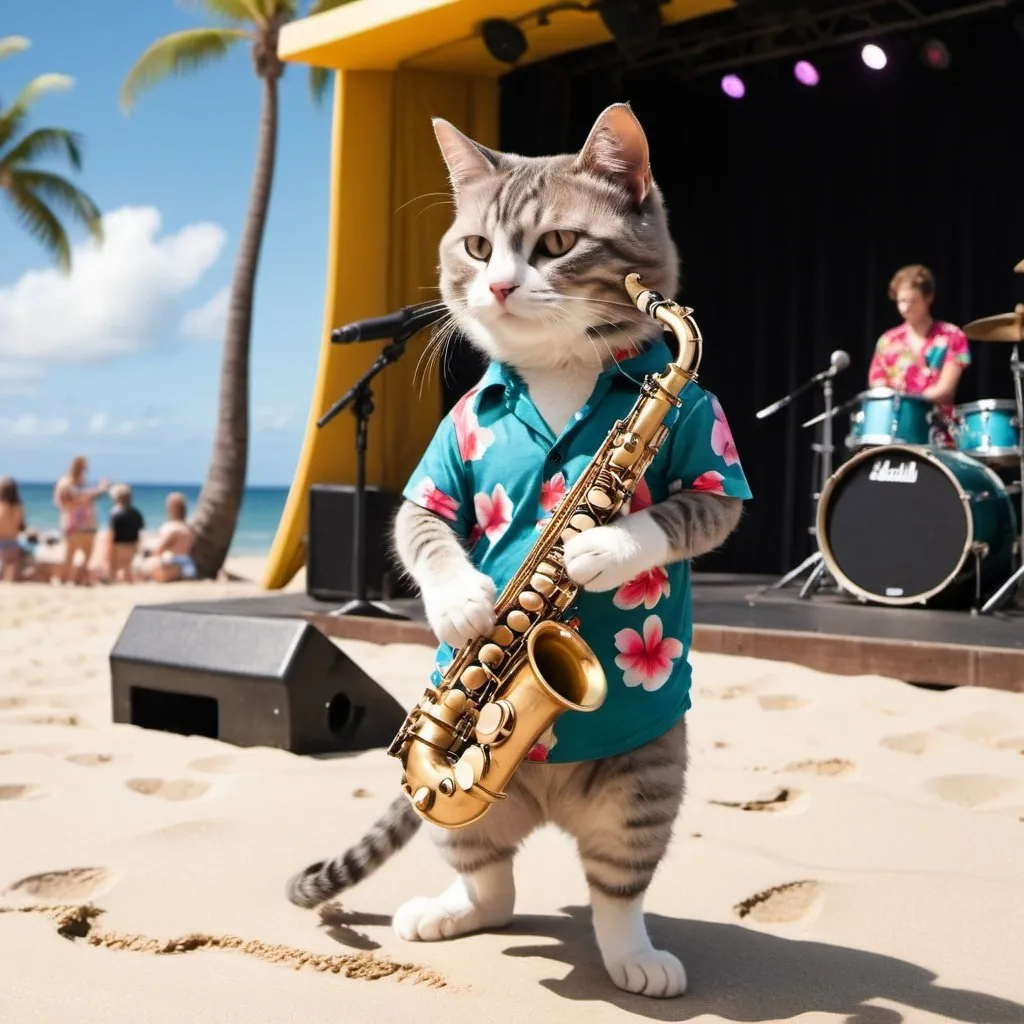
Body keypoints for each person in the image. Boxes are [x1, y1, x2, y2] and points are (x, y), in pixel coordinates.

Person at [867, 264, 971, 445]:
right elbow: (877, 382)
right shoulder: (888, 340)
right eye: (901, 301)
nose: (905, 308)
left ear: (928, 298)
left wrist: (909, 399)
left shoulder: (952, 336)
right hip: (894, 430)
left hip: (937, 430)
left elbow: (945, 390)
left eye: (912, 301)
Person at [53, 456, 110, 585]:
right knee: (75, 555)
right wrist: (100, 489)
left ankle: (76, 580)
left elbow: (65, 501)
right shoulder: (67, 483)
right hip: (77, 524)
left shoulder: (72, 483)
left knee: (79, 555)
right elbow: (73, 497)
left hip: (78, 524)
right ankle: (72, 580)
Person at [140, 491, 197, 582]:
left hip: (171, 565)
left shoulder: (171, 528)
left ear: (170, 508)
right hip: (187, 565)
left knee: (143, 566)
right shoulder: (188, 528)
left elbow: (159, 549)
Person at [0, 477, 36, 583]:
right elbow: (21, 526)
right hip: (13, 540)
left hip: (1, 540)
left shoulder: (1, 506)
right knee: (11, 569)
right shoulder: (19, 507)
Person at [107, 483, 145, 583]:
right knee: (128, 566)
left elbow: (112, 532)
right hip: (133, 543)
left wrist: (109, 546)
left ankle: (115, 580)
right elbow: (141, 530)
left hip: (118, 544)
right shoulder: (136, 513)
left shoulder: (115, 513)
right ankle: (128, 580)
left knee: (115, 565)